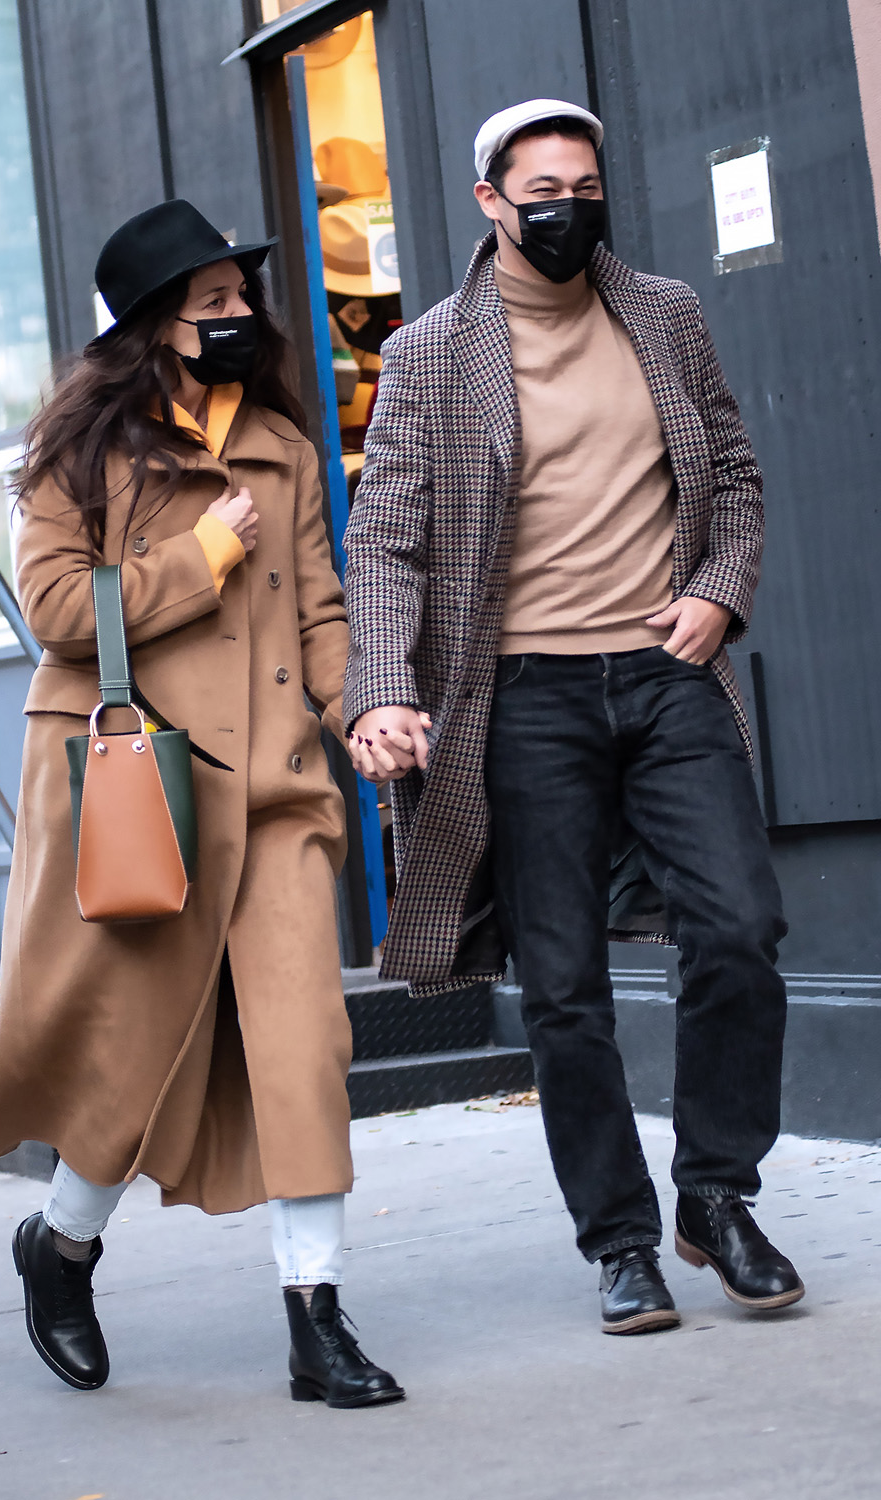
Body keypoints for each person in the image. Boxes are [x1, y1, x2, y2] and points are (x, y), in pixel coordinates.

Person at [343, 100, 804, 1335]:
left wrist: (718, 592)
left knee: (740, 927)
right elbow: (383, 534)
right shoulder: (431, 353)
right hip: (524, 695)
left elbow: (737, 475)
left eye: (584, 184)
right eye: (539, 186)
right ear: (489, 203)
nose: (566, 206)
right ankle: (619, 1239)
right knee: (562, 988)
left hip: (664, 672)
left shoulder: (663, 314)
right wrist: (382, 684)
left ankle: (715, 1192)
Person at [0, 199, 404, 1407]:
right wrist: (203, 554)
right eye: (211, 304)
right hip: (145, 794)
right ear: (155, 326)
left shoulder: (282, 444)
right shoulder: (76, 451)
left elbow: (321, 609)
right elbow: (58, 609)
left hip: (270, 795)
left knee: (304, 1044)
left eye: (240, 299)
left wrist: (359, 709)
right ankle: (59, 1248)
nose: (238, 317)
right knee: (136, 1057)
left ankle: (316, 1317)